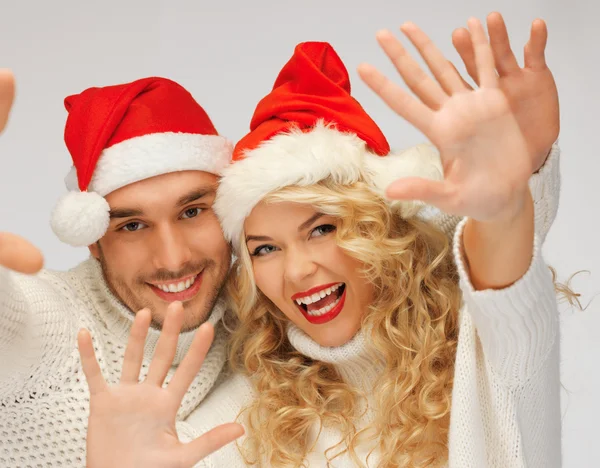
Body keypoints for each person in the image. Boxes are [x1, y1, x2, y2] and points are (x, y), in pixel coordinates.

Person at [78, 13, 566, 468]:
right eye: (264, 248)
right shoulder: (249, 416)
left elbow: (507, 285)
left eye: (322, 229)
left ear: (382, 230)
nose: (296, 271)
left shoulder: (487, 352)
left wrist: (509, 202)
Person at [0, 76, 243, 466]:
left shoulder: (257, 326)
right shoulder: (58, 330)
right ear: (93, 240)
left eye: (193, 212)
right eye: (132, 225)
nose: (172, 259)